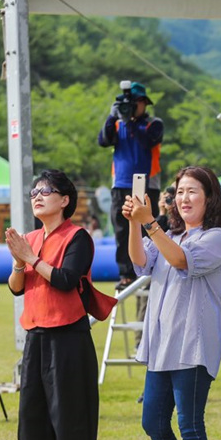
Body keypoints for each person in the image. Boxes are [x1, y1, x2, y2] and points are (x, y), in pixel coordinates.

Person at [123, 166, 221, 440]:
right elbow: (141, 261)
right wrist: (135, 223)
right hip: (163, 344)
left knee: (189, 423)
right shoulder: (170, 234)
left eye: (192, 192)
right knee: (153, 421)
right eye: (180, 191)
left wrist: (149, 223)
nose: (184, 198)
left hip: (194, 343)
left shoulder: (216, 238)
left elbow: (181, 261)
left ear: (209, 198)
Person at [3, 170, 102, 440]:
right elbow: (17, 288)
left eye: (46, 190)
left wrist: (31, 259)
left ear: (64, 200)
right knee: (32, 410)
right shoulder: (29, 239)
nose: (37, 195)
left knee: (69, 409)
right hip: (36, 333)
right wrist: (19, 263)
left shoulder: (78, 238)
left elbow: (65, 278)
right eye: (34, 191)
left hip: (68, 336)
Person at [98, 81, 163, 290]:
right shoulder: (117, 124)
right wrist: (112, 116)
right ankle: (126, 274)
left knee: (147, 227)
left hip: (147, 183)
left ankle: (147, 270)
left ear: (144, 103)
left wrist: (132, 120)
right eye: (131, 103)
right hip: (120, 183)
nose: (134, 107)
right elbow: (103, 141)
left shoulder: (153, 123)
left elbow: (148, 140)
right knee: (121, 230)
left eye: (137, 103)